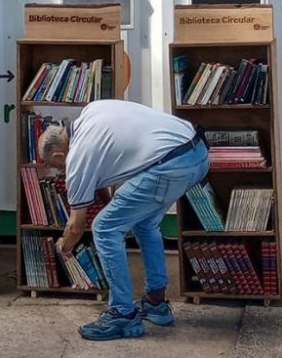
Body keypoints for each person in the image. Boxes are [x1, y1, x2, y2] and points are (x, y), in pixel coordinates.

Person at [37, 99, 209, 341]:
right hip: (197, 152)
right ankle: (155, 304)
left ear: (58, 153)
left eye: (57, 166)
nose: (60, 172)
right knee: (145, 223)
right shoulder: (91, 111)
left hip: (169, 166)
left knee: (104, 228)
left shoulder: (77, 158)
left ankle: (122, 314)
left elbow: (77, 226)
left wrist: (63, 247)